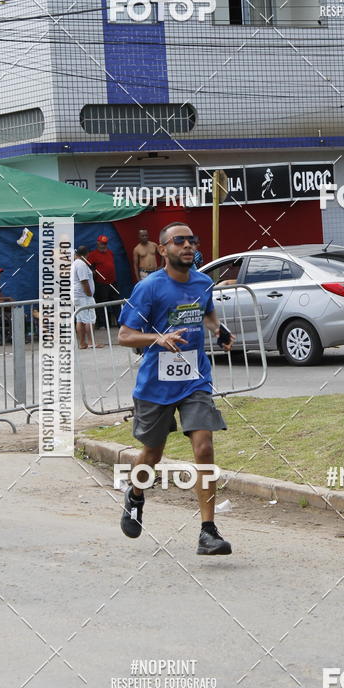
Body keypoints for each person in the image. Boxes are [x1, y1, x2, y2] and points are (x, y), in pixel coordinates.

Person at [117, 221, 235, 555]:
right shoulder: (150, 288)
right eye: (179, 240)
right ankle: (135, 495)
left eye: (192, 240)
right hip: (156, 385)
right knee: (152, 453)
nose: (188, 245)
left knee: (204, 447)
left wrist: (218, 330)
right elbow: (124, 335)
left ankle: (208, 531)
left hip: (194, 379)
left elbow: (207, 313)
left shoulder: (201, 281)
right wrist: (158, 338)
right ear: (162, 248)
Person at [72, 246, 104, 350]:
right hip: (83, 296)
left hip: (77, 295)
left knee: (80, 319)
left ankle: (82, 343)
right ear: (86, 254)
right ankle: (91, 342)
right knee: (90, 319)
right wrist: (89, 293)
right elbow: (84, 280)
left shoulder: (75, 263)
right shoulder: (81, 264)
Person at [87, 235, 118, 328]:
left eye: (105, 244)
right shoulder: (92, 254)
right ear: (97, 243)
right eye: (101, 243)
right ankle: (103, 324)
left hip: (112, 282)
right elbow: (88, 267)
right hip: (101, 283)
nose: (103, 246)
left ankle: (120, 322)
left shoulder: (110, 253)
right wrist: (92, 272)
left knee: (116, 303)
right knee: (101, 304)